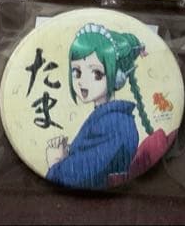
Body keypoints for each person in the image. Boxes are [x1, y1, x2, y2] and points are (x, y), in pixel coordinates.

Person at [44, 24, 159, 189]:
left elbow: (83, 174)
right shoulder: (108, 119)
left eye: (96, 73)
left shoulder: (116, 124)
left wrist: (56, 163)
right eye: (76, 72)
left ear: (118, 78)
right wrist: (68, 153)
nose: (82, 82)